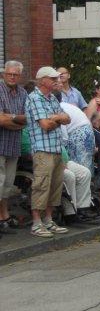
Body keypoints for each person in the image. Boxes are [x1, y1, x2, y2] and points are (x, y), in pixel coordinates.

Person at [25, 66, 71, 237]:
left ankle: (48, 221)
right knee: (41, 186)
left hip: (56, 148)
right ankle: (37, 223)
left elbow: (67, 118)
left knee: (54, 186)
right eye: (53, 79)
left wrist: (56, 118)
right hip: (42, 149)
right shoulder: (35, 98)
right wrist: (58, 119)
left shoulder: (51, 98)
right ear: (42, 80)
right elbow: (45, 125)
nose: (56, 81)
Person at [0, 61, 28, 234]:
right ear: (3, 74)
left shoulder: (23, 93)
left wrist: (10, 118)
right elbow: (0, 120)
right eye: (9, 73)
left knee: (8, 185)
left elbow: (28, 120)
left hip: (13, 145)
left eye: (15, 74)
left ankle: (4, 215)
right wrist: (16, 120)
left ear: (20, 76)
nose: (12, 77)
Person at [59, 100, 95, 174]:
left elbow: (64, 136)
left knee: (78, 169)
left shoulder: (58, 108)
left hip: (78, 134)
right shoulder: (65, 105)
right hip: (87, 130)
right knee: (86, 166)